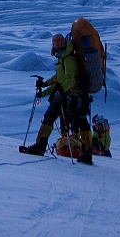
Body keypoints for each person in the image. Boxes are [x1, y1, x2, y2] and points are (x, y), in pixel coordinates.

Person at [19, 33, 93, 163]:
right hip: (71, 96)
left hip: (71, 97)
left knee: (57, 119)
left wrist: (59, 90)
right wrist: (46, 86)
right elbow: (59, 79)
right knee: (65, 119)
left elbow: (68, 80)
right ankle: (86, 153)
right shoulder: (65, 57)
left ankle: (40, 147)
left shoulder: (68, 59)